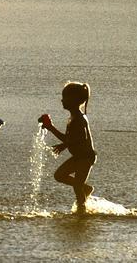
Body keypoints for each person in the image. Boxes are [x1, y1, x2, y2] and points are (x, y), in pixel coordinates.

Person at [41, 81, 97, 212]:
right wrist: (51, 128)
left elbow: (81, 138)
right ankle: (86, 189)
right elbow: (70, 138)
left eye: (65, 97)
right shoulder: (72, 117)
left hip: (86, 157)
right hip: (78, 156)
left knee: (77, 187)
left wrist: (64, 143)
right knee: (59, 175)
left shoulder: (78, 118)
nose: (62, 100)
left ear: (75, 100)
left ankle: (81, 210)